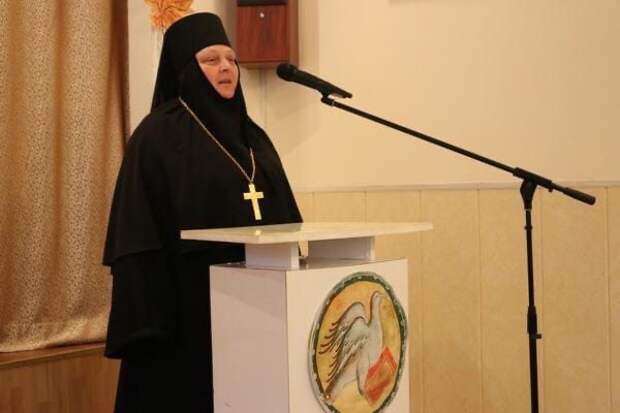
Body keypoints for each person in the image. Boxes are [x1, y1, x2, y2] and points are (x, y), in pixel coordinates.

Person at [102, 13, 301, 412]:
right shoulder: (156, 136)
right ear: (185, 69)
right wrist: (149, 318)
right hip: (184, 313)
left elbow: (285, 217)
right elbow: (137, 231)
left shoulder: (255, 137)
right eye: (211, 59)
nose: (226, 67)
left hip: (257, 310)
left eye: (231, 59)